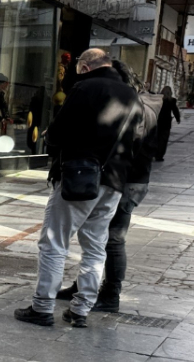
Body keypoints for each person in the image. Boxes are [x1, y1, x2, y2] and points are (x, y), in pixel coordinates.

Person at [14, 49, 141, 329]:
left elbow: (59, 133)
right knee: (96, 246)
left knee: (54, 242)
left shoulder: (84, 87)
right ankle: (80, 310)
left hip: (79, 177)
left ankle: (43, 307)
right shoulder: (131, 93)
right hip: (115, 181)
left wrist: (51, 136)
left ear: (84, 67)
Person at [55, 60, 159, 313]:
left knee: (111, 239)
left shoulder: (135, 105)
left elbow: (132, 146)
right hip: (128, 178)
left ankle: (111, 294)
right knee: (96, 237)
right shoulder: (140, 103)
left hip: (126, 180)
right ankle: (82, 287)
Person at [154, 86, 180, 161]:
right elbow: (175, 110)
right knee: (163, 139)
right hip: (166, 122)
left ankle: (154, 153)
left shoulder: (158, 100)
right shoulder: (172, 101)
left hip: (157, 121)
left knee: (156, 138)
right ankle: (160, 155)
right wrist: (178, 119)